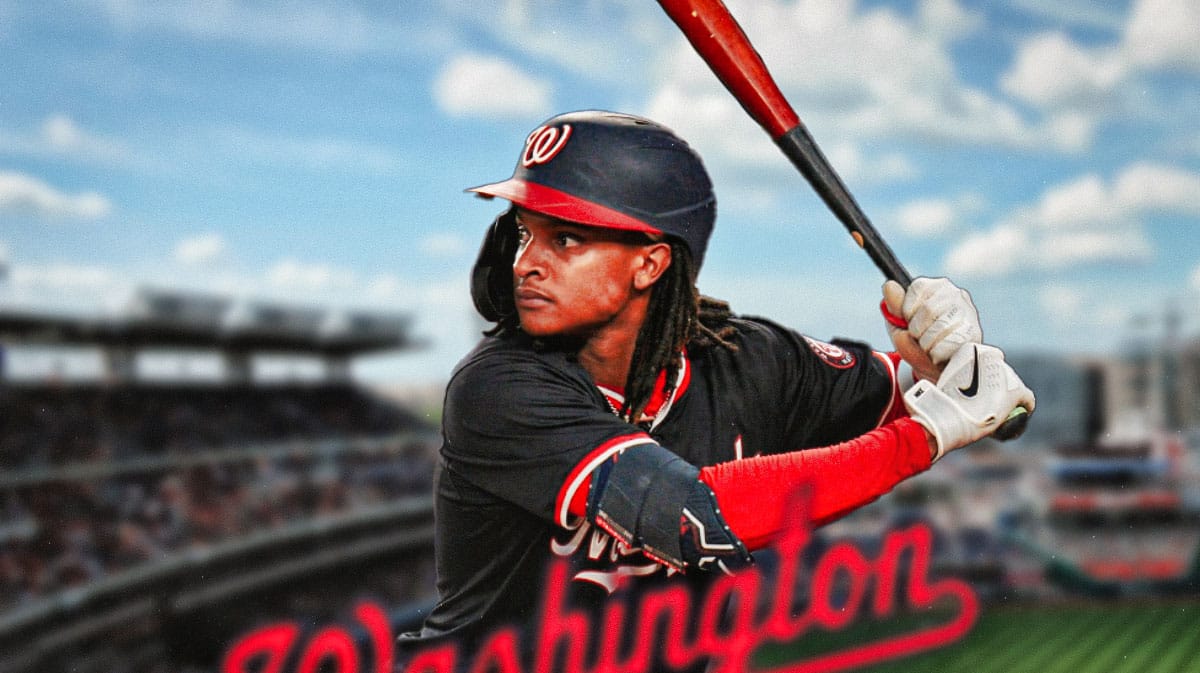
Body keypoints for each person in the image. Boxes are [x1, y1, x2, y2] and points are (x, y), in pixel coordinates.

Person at [396, 110, 1034, 669]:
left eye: (566, 238)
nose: (525, 261)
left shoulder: (750, 360)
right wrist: (927, 435)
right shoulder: (500, 388)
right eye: (525, 232)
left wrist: (937, 367)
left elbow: (951, 406)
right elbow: (694, 514)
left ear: (651, 261)